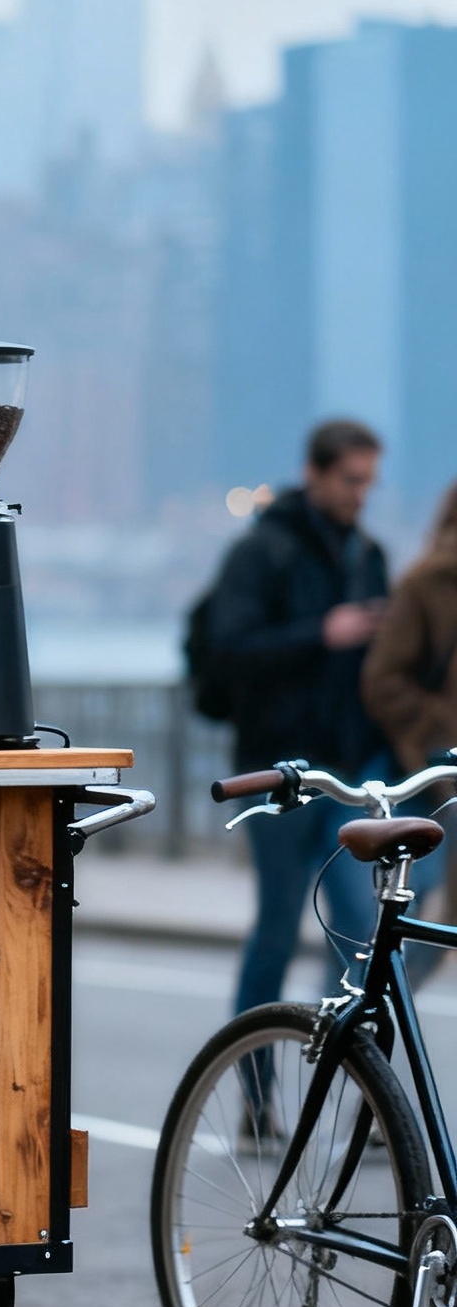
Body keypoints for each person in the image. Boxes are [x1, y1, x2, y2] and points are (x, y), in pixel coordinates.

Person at [210, 421, 390, 1029]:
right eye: (350, 479)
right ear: (314, 472)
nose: (360, 493)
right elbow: (229, 650)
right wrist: (321, 633)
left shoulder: (368, 556)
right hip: (276, 769)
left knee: (360, 930)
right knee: (279, 926)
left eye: (368, 482)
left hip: (345, 766)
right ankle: (252, 1080)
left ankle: (343, 1068)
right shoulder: (260, 552)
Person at [361, 478, 457, 973]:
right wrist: (437, 728)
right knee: (426, 929)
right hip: (444, 775)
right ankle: (356, 1031)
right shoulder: (429, 582)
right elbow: (382, 681)